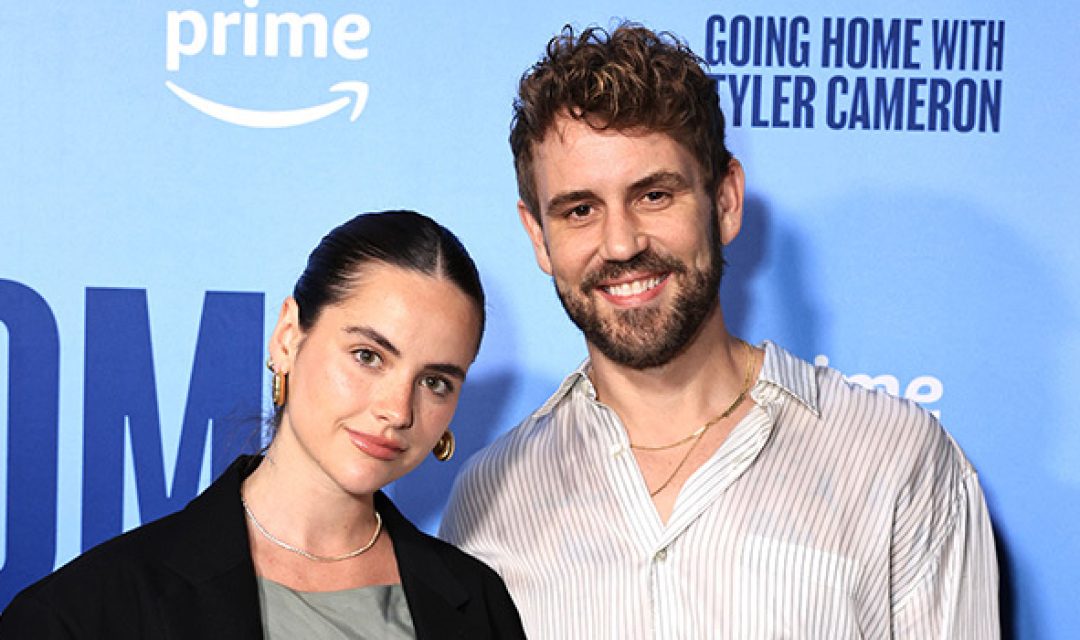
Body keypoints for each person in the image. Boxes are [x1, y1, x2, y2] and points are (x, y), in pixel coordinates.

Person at [439, 24, 999, 639]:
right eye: (580, 210)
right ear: (537, 237)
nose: (621, 243)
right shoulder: (489, 500)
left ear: (725, 200)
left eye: (654, 195)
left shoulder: (897, 460)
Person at [0, 211, 526, 639]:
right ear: (287, 337)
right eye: (367, 355)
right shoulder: (84, 615)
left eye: (435, 381)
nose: (398, 410)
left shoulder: (478, 606)